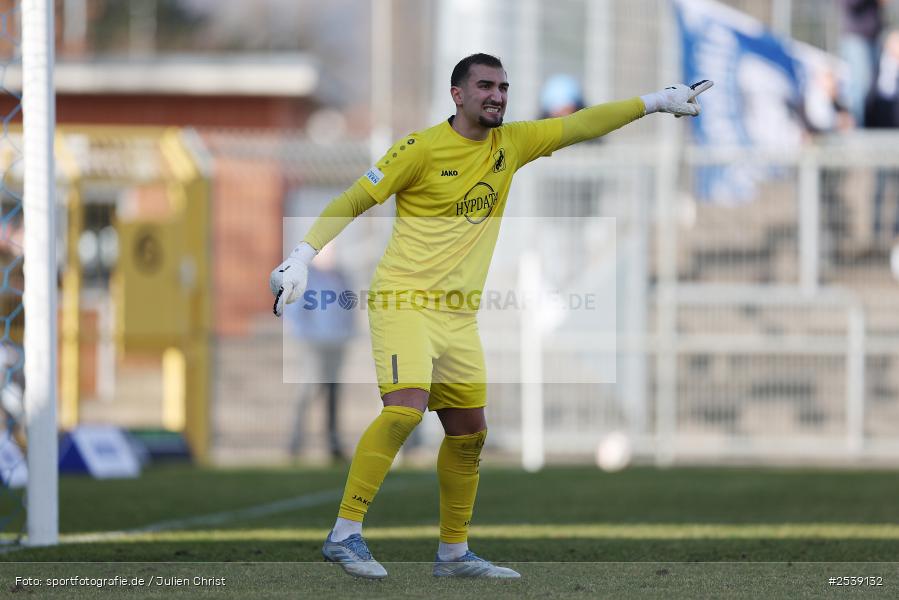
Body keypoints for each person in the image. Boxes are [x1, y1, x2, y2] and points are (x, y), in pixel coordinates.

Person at [269, 53, 711, 580]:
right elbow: (352, 199)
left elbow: (579, 124)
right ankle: (345, 534)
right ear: (457, 94)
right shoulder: (420, 148)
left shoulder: (512, 144)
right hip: (403, 299)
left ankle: (454, 555)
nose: (497, 95)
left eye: (503, 86)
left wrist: (655, 102)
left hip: (458, 316)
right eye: (485, 86)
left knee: (469, 431)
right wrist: (301, 256)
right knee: (406, 409)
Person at [285, 245, 355, 461]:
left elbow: (350, 306)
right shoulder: (307, 277)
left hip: (336, 344)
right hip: (314, 344)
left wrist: (347, 333)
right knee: (308, 390)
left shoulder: (341, 276)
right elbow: (295, 311)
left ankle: (333, 443)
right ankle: (296, 442)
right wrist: (306, 335)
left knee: (334, 394)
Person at [839, 0, 888, 125]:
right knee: (860, 86)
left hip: (873, 36)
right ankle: (856, 127)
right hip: (856, 37)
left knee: (872, 88)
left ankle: (868, 125)